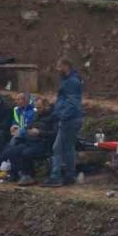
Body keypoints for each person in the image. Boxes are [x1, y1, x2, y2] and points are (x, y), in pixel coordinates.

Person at [43, 59, 84, 187]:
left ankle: (56, 177)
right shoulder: (68, 80)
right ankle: (69, 176)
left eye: (59, 67)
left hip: (69, 119)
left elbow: (73, 102)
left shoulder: (72, 82)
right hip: (70, 118)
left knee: (58, 148)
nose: (57, 70)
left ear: (66, 66)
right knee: (68, 148)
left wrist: (62, 115)